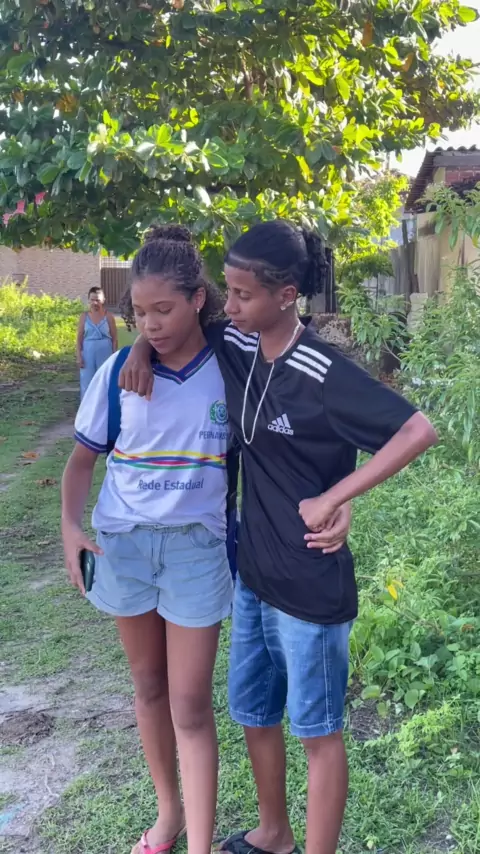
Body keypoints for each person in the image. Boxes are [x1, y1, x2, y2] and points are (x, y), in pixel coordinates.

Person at [120, 219, 438, 854]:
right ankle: (273, 833)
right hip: (254, 575)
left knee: (317, 731)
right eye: (228, 291)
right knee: (254, 713)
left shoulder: (322, 371)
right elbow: (168, 324)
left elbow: (417, 431)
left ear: (287, 295)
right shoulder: (237, 345)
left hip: (310, 582)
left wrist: (338, 497)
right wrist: (136, 350)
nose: (229, 306)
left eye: (243, 295)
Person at [62, 226, 237, 854]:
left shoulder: (230, 365)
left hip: (197, 549)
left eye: (164, 309)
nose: (152, 324)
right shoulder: (118, 371)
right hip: (126, 545)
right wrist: (70, 527)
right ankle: (169, 816)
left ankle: (201, 845)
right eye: (140, 313)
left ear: (198, 299)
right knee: (149, 688)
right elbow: (82, 462)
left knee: (190, 704)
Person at [76, 286, 118, 398]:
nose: (95, 303)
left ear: (103, 300)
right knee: (87, 382)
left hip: (105, 352)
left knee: (104, 381)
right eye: (92, 300)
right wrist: (79, 356)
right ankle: (87, 407)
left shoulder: (109, 316)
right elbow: (79, 338)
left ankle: (104, 406)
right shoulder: (84, 317)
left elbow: (114, 338)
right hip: (88, 352)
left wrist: (114, 356)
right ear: (89, 300)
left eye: (98, 300)